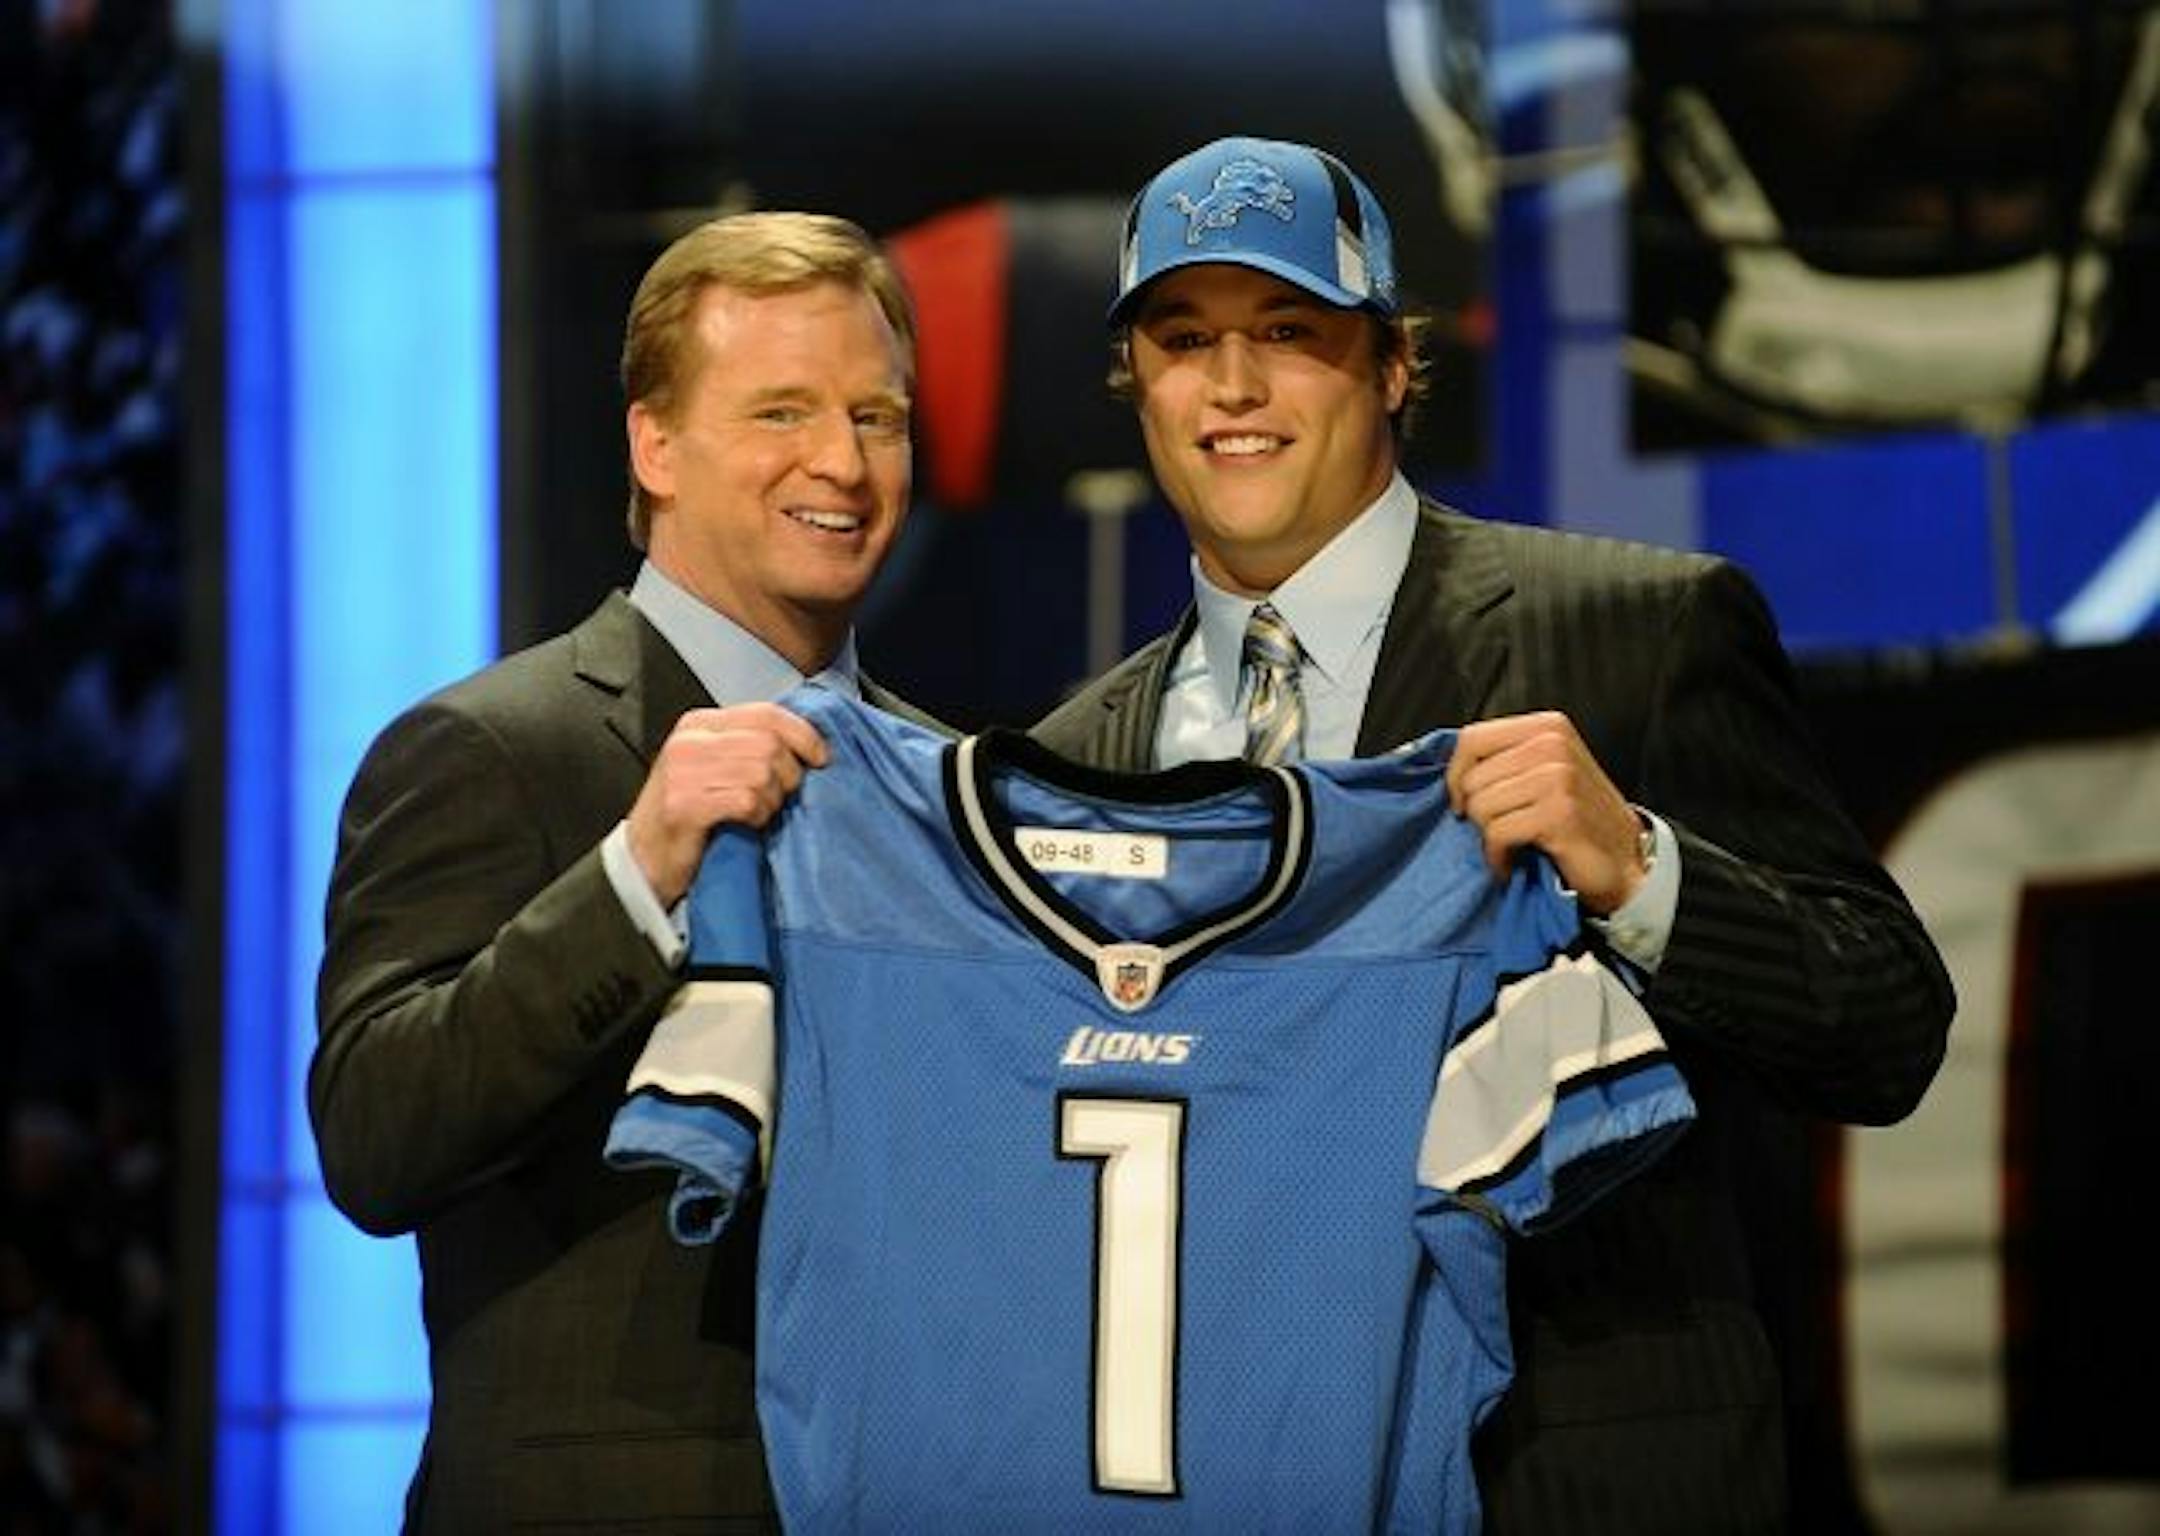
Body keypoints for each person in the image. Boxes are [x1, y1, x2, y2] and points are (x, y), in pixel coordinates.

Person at [1033, 135, 1957, 1534]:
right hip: (1234, 1480)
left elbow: (1888, 1025)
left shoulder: (1634, 632)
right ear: (1139, 383)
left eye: (1289, 331)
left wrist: (1642, 869)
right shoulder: (1073, 763)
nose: (1233, 386)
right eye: (1184, 340)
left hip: (1577, 1485)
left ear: (1394, 364)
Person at [311, 211, 935, 1531]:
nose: (842, 460)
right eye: (782, 412)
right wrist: (638, 871)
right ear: (655, 444)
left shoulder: (954, 786)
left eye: (877, 416)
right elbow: (376, 1134)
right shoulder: (487, 749)